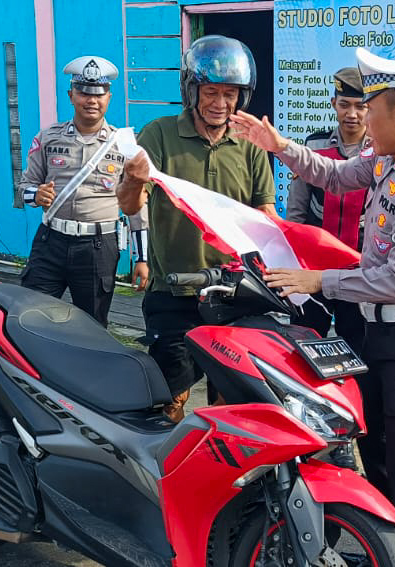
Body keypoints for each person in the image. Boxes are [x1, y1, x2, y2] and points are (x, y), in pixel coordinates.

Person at [231, 47, 395, 567]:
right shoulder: (391, 156)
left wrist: (319, 279)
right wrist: (280, 145)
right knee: (377, 445)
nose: (362, 120)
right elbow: (334, 175)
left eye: (371, 108)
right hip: (380, 332)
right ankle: (387, 549)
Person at [116, 35, 276, 422]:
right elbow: (129, 204)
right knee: (170, 399)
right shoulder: (159, 134)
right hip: (174, 290)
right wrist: (135, 179)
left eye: (230, 94)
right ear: (192, 90)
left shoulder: (248, 143)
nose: (221, 104)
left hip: (234, 292)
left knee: (233, 402)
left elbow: (265, 213)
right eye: (211, 92)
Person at [283, 66, 371, 471]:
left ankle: (350, 437)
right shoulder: (315, 145)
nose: (351, 114)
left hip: (360, 276)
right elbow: (298, 209)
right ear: (334, 105)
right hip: (314, 274)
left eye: (359, 106)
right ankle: (306, 428)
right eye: (345, 104)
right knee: (307, 350)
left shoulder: (380, 152)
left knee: (355, 357)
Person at [18, 56, 140, 327]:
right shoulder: (48, 138)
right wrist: (36, 195)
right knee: (30, 315)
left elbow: (137, 205)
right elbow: (23, 187)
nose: (91, 101)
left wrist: (141, 259)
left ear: (108, 97)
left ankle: (91, 370)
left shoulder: (125, 145)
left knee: (92, 324)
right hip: (52, 241)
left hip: (98, 246)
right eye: (84, 93)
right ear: (71, 95)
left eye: (98, 94)